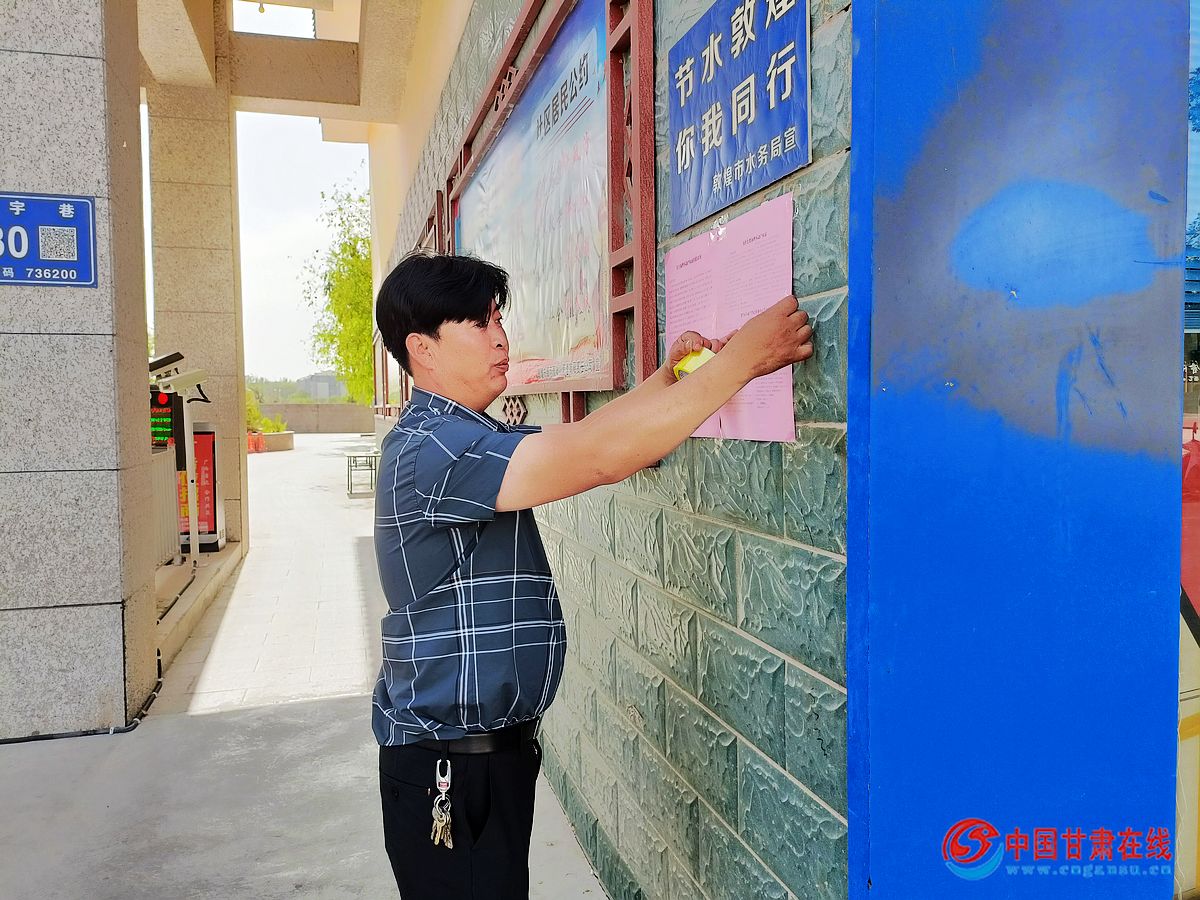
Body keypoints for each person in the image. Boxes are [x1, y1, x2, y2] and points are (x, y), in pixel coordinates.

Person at [371, 251, 814, 899]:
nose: (501, 338)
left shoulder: (459, 434)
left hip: (479, 758)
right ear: (422, 349)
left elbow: (588, 435)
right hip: (451, 768)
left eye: (498, 318)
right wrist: (743, 360)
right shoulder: (433, 449)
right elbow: (598, 457)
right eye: (478, 323)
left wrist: (667, 379)